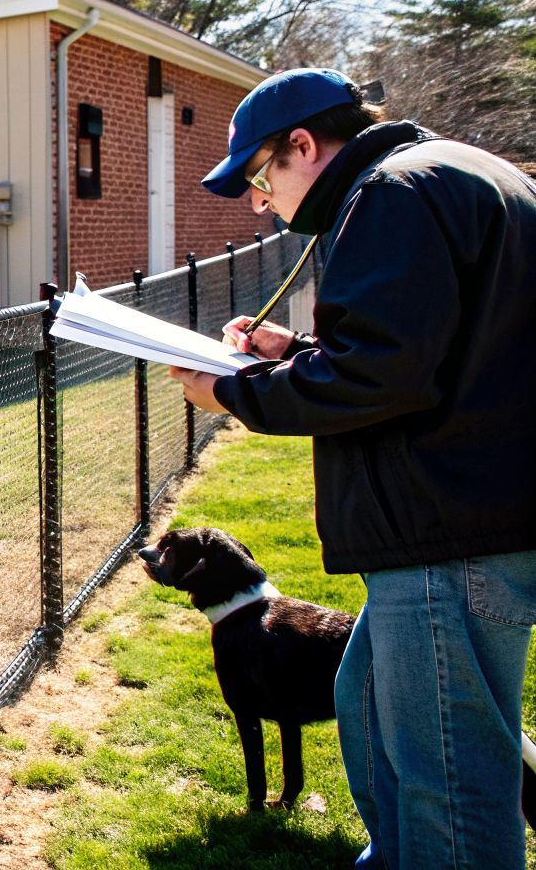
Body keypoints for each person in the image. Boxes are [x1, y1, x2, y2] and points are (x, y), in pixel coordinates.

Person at [168, 68, 536, 869]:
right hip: (472, 508)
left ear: (304, 145)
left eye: (261, 178)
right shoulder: (455, 171)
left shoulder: (391, 195)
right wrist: (293, 354)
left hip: (448, 529)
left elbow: (383, 375)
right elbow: (433, 347)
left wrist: (237, 392)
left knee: (449, 773)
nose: (262, 203)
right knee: (366, 707)